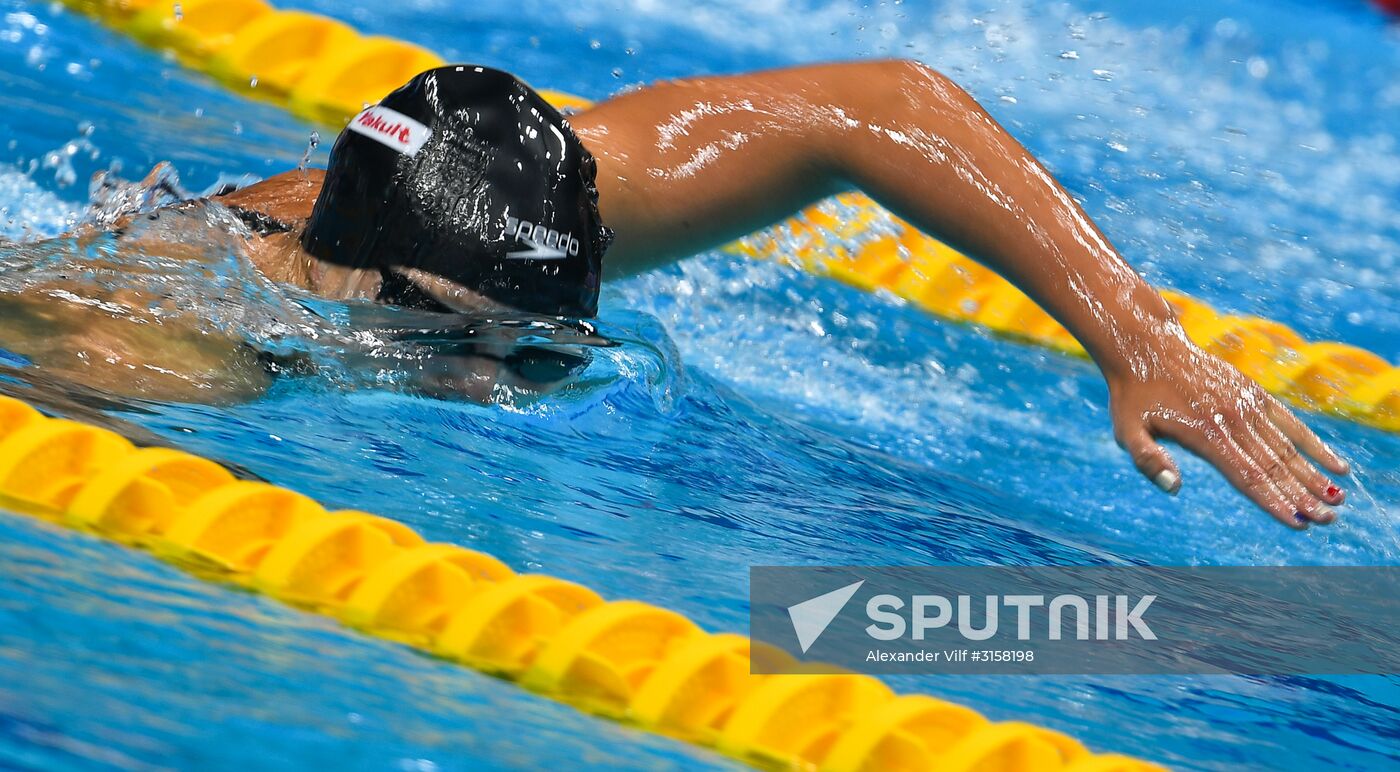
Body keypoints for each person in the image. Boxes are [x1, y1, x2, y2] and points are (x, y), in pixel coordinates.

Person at [0, 60, 1349, 529]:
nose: (490, 384)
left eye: (529, 349)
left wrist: (1139, 338)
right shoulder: (167, 356)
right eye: (460, 346)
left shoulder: (551, 196)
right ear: (347, 282)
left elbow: (879, 106)